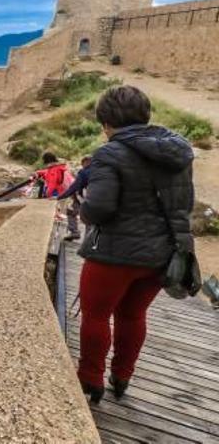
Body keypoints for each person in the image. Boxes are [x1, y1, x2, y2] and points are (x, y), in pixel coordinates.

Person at [77, 85, 194, 404]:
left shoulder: (109, 153)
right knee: (133, 315)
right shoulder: (178, 151)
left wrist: (82, 208)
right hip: (160, 255)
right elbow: (185, 202)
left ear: (106, 124)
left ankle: (90, 379)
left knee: (96, 315)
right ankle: (122, 376)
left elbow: (100, 208)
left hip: (114, 254)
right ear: (145, 116)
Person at [57, 156, 92, 241]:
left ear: (86, 162)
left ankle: (79, 235)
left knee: (88, 219)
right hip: (103, 199)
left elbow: (74, 187)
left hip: (89, 198)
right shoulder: (102, 170)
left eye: (82, 164)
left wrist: (59, 197)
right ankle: (78, 235)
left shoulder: (85, 172)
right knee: (73, 211)